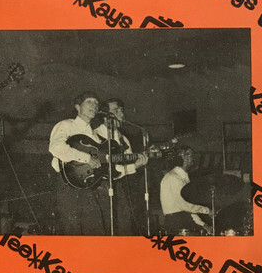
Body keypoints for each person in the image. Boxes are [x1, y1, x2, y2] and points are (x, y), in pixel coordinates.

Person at [49, 91, 110, 235]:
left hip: (89, 187)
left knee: (95, 231)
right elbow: (56, 147)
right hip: (68, 185)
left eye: (96, 103)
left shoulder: (95, 136)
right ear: (77, 106)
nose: (94, 105)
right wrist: (87, 158)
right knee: (71, 231)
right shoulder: (66, 125)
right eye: (89, 102)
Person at [94, 98, 148, 235]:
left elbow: (127, 164)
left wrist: (139, 161)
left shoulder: (124, 139)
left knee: (124, 225)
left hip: (118, 186)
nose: (121, 114)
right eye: (116, 110)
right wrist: (134, 166)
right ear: (105, 116)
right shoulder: (96, 135)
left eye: (122, 111)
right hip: (100, 187)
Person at [160, 146, 211, 234]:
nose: (193, 159)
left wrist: (203, 224)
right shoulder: (173, 178)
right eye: (191, 155)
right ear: (184, 157)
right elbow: (185, 205)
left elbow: (189, 209)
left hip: (184, 218)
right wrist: (207, 210)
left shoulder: (183, 177)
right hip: (176, 221)